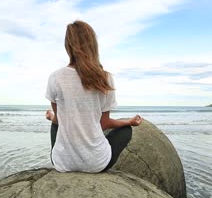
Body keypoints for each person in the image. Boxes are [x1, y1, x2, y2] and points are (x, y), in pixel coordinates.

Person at [45, 20, 142, 173]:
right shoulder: (105, 78)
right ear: (93, 45)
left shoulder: (55, 77)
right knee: (126, 130)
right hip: (96, 164)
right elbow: (104, 124)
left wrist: (51, 117)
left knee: (56, 123)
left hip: (63, 163)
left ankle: (67, 156)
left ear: (67, 46)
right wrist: (128, 122)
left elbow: (60, 120)